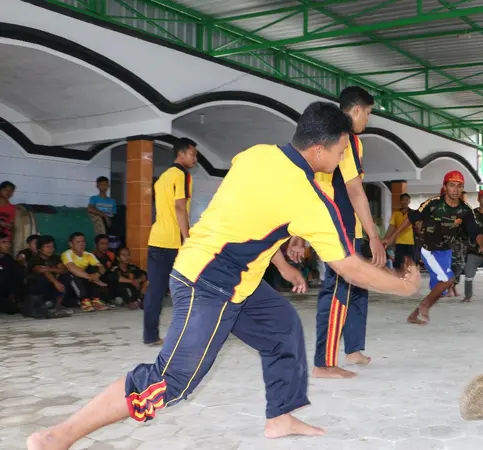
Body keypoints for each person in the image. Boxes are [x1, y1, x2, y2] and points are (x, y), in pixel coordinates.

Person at [26, 102, 421, 450]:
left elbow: (248, 216)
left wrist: (281, 263)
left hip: (232, 277)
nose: (339, 160)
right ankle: (58, 436)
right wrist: (402, 287)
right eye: (338, 152)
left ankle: (280, 418)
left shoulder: (255, 154)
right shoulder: (309, 198)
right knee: (172, 379)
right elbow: (348, 266)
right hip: (208, 282)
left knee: (282, 326)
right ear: (320, 149)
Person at [287, 87, 385, 379]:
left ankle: (353, 348)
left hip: (346, 226)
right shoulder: (344, 139)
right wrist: (375, 236)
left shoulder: (345, 140)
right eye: (367, 113)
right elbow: (355, 191)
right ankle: (324, 363)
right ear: (356, 110)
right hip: (337, 226)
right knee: (337, 292)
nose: (367, 119)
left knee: (357, 288)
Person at [383, 170, 483, 325]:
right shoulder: (432, 204)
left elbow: (475, 231)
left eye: (459, 186)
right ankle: (424, 306)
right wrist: (391, 237)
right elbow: (410, 219)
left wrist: (482, 244)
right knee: (447, 280)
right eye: (452, 185)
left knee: (441, 289)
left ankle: (414, 315)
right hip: (429, 250)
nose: (455, 189)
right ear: (445, 187)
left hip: (446, 251)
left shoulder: (465, 210)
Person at [142, 138, 198, 346]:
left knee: (155, 289)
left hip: (157, 238)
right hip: (173, 242)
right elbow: (180, 207)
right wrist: (187, 238)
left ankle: (150, 336)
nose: (195, 158)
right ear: (181, 154)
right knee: (187, 288)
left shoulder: (163, 177)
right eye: (193, 154)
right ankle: (187, 333)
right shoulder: (181, 175)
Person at [61, 232, 110, 312]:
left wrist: (98, 274)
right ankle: (84, 301)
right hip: (67, 285)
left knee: (94, 269)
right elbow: (73, 268)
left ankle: (95, 300)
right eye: (78, 242)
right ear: (71, 244)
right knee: (72, 274)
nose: (81, 244)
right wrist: (91, 277)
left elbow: (101, 267)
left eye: (83, 241)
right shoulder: (67, 254)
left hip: (82, 282)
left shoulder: (89, 255)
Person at [24, 235, 70, 319]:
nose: (50, 249)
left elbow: (64, 270)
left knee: (66, 276)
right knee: (42, 277)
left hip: (52, 288)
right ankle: (42, 305)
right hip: (38, 290)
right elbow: (41, 270)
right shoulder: (34, 259)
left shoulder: (55, 258)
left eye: (52, 246)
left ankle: (57, 306)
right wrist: (56, 281)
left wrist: (48, 268)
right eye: (47, 247)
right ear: (40, 249)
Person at [386, 193, 416, 273]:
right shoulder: (396, 213)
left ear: (409, 201)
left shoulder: (413, 213)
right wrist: (386, 239)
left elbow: (418, 227)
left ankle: (410, 280)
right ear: (400, 201)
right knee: (398, 263)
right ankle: (399, 280)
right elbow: (391, 226)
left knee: (411, 263)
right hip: (399, 242)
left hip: (411, 242)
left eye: (406, 200)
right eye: (403, 200)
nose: (404, 202)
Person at [0, 232, 18, 314]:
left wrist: (12, 292)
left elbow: (12, 278)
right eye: (3, 242)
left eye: (9, 242)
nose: (8, 245)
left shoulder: (8, 258)